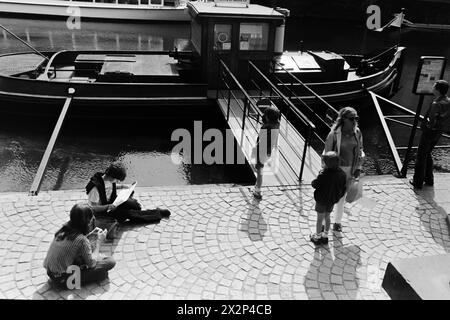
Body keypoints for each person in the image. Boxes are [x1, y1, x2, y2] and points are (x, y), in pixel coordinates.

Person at [86, 162, 170, 236]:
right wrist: (108, 206)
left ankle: (133, 211)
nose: (117, 182)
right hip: (104, 212)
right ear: (111, 176)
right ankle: (157, 213)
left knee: (136, 206)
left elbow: (110, 186)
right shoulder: (95, 189)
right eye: (117, 180)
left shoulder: (108, 179)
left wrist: (124, 186)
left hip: (113, 202)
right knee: (128, 213)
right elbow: (93, 208)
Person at [43, 203, 116, 288]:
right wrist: (99, 242)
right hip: (63, 280)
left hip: (51, 274)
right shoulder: (81, 240)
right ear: (87, 222)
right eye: (92, 219)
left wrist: (91, 234)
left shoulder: (63, 230)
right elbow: (91, 263)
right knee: (110, 262)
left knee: (90, 255)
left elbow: (74, 243)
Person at [324, 107, 364, 232]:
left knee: (342, 197)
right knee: (331, 196)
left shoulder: (357, 132)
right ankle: (325, 220)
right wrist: (326, 171)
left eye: (356, 118)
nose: (354, 121)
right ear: (344, 119)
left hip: (350, 169)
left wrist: (358, 167)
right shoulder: (334, 134)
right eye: (352, 118)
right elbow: (327, 153)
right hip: (336, 170)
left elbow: (360, 150)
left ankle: (337, 222)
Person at [411, 80, 450, 189]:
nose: (432, 88)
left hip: (430, 132)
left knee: (421, 156)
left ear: (437, 90)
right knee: (427, 154)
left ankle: (417, 182)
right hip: (439, 132)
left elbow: (431, 121)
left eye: (434, 87)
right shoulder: (448, 101)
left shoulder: (436, 104)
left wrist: (426, 128)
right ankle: (429, 180)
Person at [310, 151, 347, 245]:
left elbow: (315, 184)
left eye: (324, 162)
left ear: (326, 164)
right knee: (327, 217)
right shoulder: (342, 174)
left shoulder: (323, 175)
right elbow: (343, 189)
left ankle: (317, 237)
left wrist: (316, 178)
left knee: (319, 219)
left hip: (321, 200)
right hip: (331, 201)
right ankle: (325, 236)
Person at [252, 101, 281, 200]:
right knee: (259, 168)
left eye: (266, 115)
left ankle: (258, 191)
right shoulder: (276, 125)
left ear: (268, 117)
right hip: (268, 152)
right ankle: (257, 186)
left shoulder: (266, 127)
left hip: (262, 151)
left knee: (260, 170)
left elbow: (260, 138)